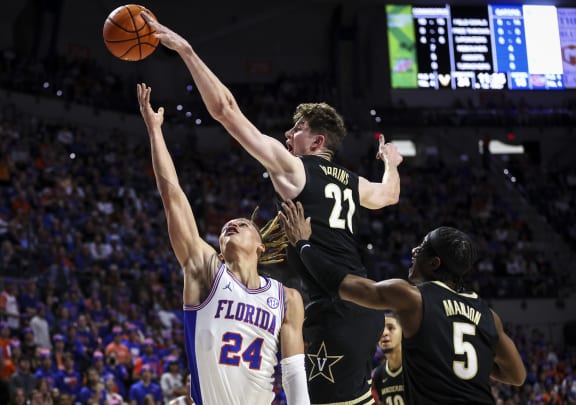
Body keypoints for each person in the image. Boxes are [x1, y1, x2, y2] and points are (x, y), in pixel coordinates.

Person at [142, 13, 403, 405]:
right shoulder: (352, 182)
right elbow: (389, 196)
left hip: (328, 308)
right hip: (362, 307)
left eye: (296, 129)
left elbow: (226, 111)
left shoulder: (295, 169)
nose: (287, 135)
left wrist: (187, 50)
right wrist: (392, 164)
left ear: (316, 141)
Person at [137, 83, 309, 405]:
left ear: (260, 246)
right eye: (227, 226)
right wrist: (154, 131)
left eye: (243, 224)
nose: (232, 223)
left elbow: (294, 373)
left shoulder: (287, 298)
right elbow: (172, 195)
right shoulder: (206, 271)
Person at [279, 199, 526, 404]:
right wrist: (473, 367)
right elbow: (517, 375)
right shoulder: (489, 316)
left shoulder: (413, 297)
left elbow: (340, 283)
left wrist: (302, 244)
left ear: (434, 263)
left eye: (421, 248)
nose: (413, 252)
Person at [371, 313, 405, 405]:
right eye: (380, 329)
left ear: (403, 332)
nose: (384, 333)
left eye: (391, 328)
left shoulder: (417, 366)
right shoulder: (378, 374)